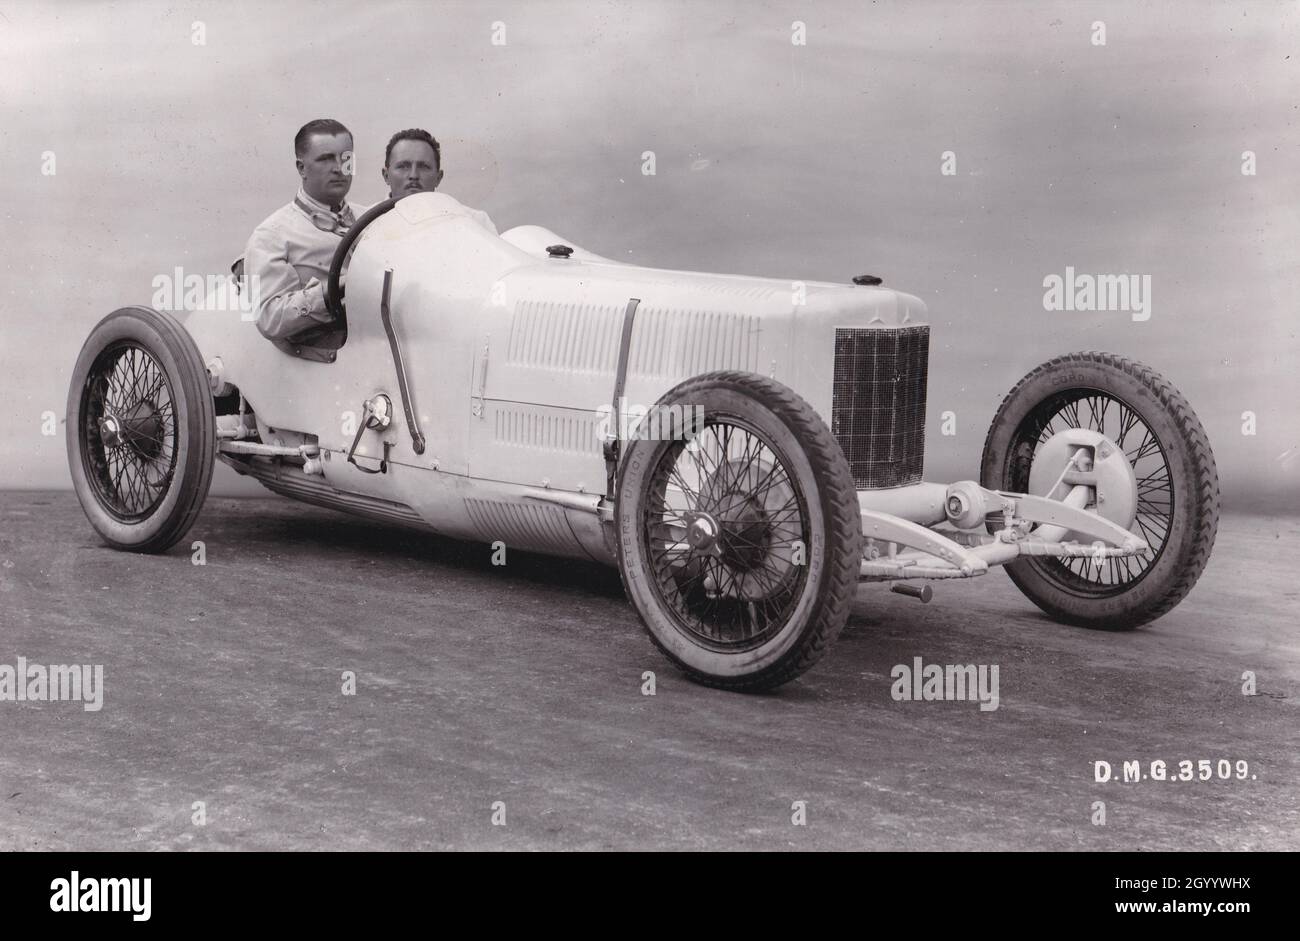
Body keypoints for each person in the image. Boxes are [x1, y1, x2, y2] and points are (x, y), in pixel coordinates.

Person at [244, 118, 367, 343]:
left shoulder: (373, 218)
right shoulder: (272, 235)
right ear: (302, 168)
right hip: (327, 359)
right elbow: (270, 319)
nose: (339, 168)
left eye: (346, 158)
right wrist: (331, 292)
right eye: (325, 159)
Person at [380, 128, 498, 234]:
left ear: (438, 178)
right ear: (386, 175)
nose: (413, 175)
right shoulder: (364, 224)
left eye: (423, 166)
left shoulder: (476, 221)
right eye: (403, 166)